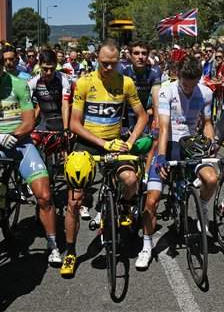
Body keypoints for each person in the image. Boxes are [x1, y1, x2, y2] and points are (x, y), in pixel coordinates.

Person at [61, 39, 148, 277]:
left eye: (112, 63)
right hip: (88, 143)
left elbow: (142, 117)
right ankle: (70, 252)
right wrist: (103, 143)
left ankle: (126, 207)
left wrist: (129, 143)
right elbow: (74, 124)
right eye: (103, 63)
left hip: (115, 143)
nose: (108, 68)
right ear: (96, 60)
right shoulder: (85, 83)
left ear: (120, 61)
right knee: (74, 201)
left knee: (130, 180)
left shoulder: (126, 83)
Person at [0, 45, 62, 267]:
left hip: (20, 142)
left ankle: (53, 245)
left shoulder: (18, 84)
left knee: (44, 195)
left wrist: (13, 135)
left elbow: (28, 120)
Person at [136, 55, 216, 270]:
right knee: (151, 200)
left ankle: (204, 209)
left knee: (212, 179)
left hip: (192, 144)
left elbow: (207, 123)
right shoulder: (166, 90)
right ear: (178, 76)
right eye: (185, 85)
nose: (188, 90)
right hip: (169, 142)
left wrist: (210, 144)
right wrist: (161, 156)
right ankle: (146, 245)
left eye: (193, 85)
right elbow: (163, 127)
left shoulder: (206, 93)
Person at [28, 49, 72, 132]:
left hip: (61, 119)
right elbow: (27, 107)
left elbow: (65, 104)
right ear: (39, 65)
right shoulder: (32, 82)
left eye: (52, 69)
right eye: (45, 69)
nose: (49, 72)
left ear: (56, 65)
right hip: (43, 121)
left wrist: (66, 128)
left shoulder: (64, 79)